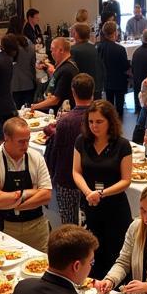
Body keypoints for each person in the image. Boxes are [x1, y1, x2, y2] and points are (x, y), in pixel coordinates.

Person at [72, 100, 133, 276]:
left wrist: (101, 193)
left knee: (115, 254)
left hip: (115, 207)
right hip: (89, 205)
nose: (94, 126)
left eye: (99, 122)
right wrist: (88, 193)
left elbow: (126, 180)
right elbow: (76, 172)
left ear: (110, 122)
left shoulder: (122, 145)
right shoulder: (81, 141)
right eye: (91, 122)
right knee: (90, 252)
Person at [0, 116, 53, 251]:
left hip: (36, 227)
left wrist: (12, 203)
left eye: (28, 140)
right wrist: (30, 192)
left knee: (40, 265)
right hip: (5, 228)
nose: (26, 145)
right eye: (21, 142)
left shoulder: (36, 157)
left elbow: (46, 195)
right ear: (6, 138)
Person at [42, 72, 93, 227]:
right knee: (91, 224)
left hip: (67, 178)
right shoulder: (101, 119)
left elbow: (54, 152)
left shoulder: (65, 121)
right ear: (93, 92)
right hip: (91, 180)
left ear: (73, 92)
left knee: (69, 225)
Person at [31, 36, 77, 113]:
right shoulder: (64, 65)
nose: (51, 53)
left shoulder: (66, 70)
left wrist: (35, 107)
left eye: (52, 50)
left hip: (58, 112)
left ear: (61, 50)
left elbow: (55, 100)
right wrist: (47, 68)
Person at [97, 21, 130, 117]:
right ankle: (118, 124)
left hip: (106, 80)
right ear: (115, 32)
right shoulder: (120, 49)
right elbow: (125, 67)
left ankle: (109, 123)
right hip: (119, 80)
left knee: (109, 104)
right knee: (119, 106)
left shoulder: (99, 47)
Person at [6, 16, 37, 110]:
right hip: (28, 82)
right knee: (28, 114)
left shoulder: (6, 42)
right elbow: (33, 63)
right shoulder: (28, 42)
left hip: (11, 84)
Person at [70, 22, 104, 97]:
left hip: (83, 87)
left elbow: (70, 70)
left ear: (76, 34)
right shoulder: (94, 48)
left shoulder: (73, 50)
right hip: (97, 85)